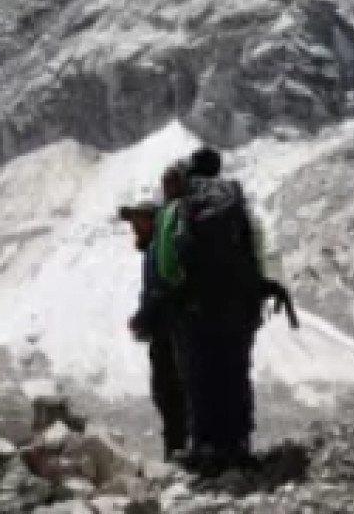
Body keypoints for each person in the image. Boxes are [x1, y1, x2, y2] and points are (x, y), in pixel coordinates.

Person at [155, 148, 297, 475]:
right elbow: (262, 254)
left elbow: (166, 264)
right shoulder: (240, 208)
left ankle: (205, 450)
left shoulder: (179, 209)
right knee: (235, 373)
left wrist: (181, 294)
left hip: (196, 310)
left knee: (200, 377)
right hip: (239, 309)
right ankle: (238, 446)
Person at [120, 196, 186, 461]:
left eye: (138, 220)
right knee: (178, 393)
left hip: (167, 333)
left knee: (168, 394)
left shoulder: (156, 250)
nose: (134, 227)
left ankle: (176, 455)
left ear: (152, 221)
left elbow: (157, 292)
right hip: (181, 331)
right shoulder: (167, 247)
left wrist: (142, 319)